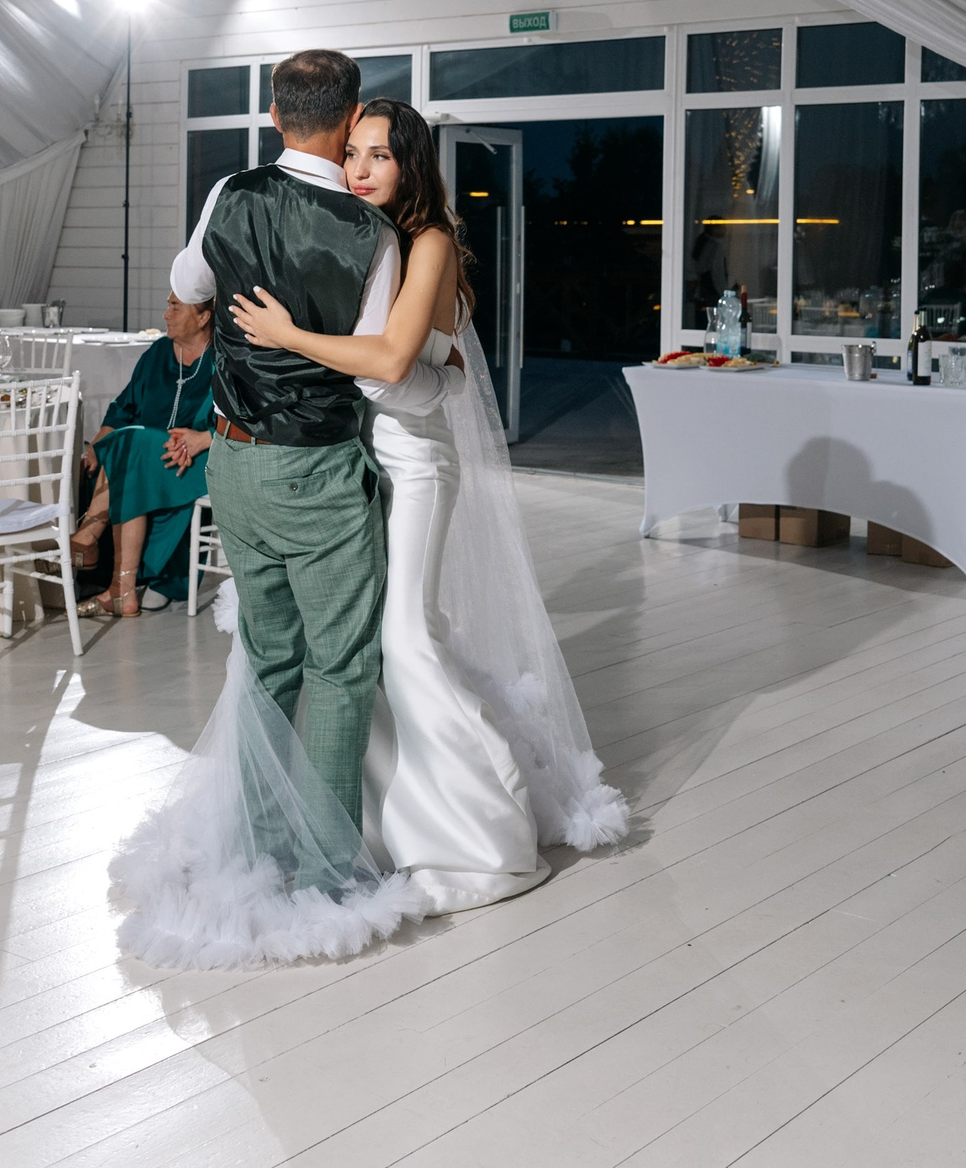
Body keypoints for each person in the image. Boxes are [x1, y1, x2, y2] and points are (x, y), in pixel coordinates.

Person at [111, 79, 629, 969]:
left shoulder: (422, 241)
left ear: (409, 162)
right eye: (354, 152)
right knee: (356, 657)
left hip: (412, 462)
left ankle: (482, 819)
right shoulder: (360, 237)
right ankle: (371, 828)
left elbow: (397, 369)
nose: (359, 169)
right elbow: (385, 366)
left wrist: (287, 336)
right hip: (357, 460)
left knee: (402, 642)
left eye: (379, 154)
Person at [70, 293, 215, 617]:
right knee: (116, 452)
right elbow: (124, 407)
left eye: (175, 307)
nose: (166, 315)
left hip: (197, 459)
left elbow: (240, 419)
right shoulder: (159, 352)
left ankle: (89, 538)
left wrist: (203, 439)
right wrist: (96, 445)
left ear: (204, 316)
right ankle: (119, 588)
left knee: (130, 446)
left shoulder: (225, 357)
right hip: (145, 459)